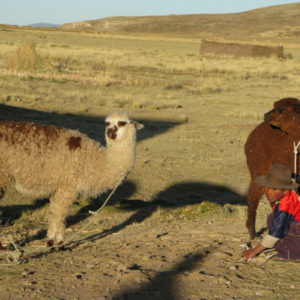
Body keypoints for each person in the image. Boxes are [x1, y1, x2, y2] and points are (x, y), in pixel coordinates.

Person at [242, 163, 300, 261]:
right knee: (272, 218)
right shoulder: (287, 197)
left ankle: (292, 255)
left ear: (285, 191)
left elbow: (276, 233)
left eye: (274, 189)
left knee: (282, 225)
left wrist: (254, 252)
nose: (269, 192)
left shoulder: (285, 206)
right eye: (267, 187)